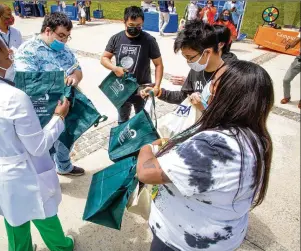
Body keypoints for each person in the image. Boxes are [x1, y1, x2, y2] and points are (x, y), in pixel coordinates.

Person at [0, 12, 74, 251]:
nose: (12, 56)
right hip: (24, 172)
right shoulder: (13, 97)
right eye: (7, 55)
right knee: (43, 211)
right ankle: (61, 247)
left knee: (14, 219)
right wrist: (58, 117)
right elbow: (38, 146)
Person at [137, 59, 274, 251]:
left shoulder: (215, 146)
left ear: (227, 95)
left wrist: (147, 147)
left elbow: (146, 172)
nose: (208, 87)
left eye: (214, 83)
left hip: (182, 242)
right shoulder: (255, 136)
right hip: (218, 236)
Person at [14, 12, 85, 176]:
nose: (64, 41)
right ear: (47, 30)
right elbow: (28, 85)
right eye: (61, 35)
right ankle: (48, 174)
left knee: (66, 140)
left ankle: (64, 166)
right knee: (46, 146)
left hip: (65, 105)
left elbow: (77, 68)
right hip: (43, 110)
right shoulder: (28, 51)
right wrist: (59, 82)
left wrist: (74, 76)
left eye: (67, 37)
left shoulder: (64, 49)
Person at [141, 20, 224, 112]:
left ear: (207, 52)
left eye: (190, 57)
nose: (188, 62)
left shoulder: (232, 77)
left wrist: (203, 108)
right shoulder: (196, 70)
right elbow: (183, 96)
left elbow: (233, 120)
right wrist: (159, 92)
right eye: (185, 57)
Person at [101, 6, 163, 124]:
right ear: (124, 22)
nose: (135, 28)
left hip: (143, 88)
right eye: (131, 25)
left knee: (143, 122)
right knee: (122, 121)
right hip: (122, 89)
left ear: (143, 23)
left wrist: (157, 86)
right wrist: (114, 68)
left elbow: (158, 64)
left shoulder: (149, 40)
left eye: (138, 26)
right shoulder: (116, 39)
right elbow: (104, 58)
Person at [281, 32, 301, 109]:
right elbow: (296, 40)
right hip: (299, 60)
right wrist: (290, 44)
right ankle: (287, 97)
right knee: (286, 79)